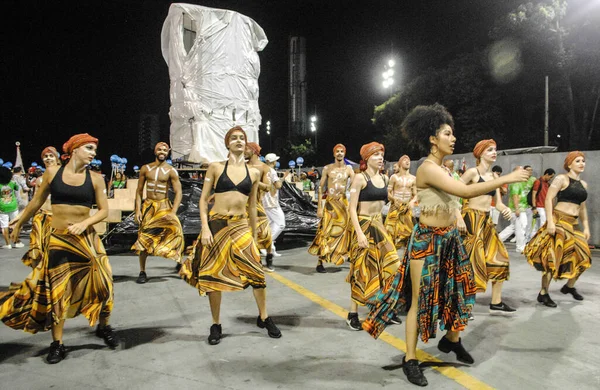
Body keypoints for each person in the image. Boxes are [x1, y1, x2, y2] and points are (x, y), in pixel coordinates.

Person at [362, 104, 529, 386]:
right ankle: (410, 358)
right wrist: (507, 179)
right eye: (447, 133)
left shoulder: (444, 169)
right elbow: (463, 191)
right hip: (426, 242)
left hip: (449, 239)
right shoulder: (427, 168)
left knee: (461, 294)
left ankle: (452, 340)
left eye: (452, 134)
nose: (453, 138)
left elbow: (454, 200)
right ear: (432, 138)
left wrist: (459, 218)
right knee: (419, 301)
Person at [1, 133, 118, 364]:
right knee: (59, 292)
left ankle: (103, 327)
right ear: (74, 150)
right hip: (58, 241)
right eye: (89, 148)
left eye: (95, 149)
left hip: (86, 240)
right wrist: (21, 220)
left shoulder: (95, 178)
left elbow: (103, 210)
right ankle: (58, 343)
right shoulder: (53, 173)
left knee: (104, 285)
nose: (93, 152)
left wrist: (85, 223)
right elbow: (36, 202)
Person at [179, 126, 281, 345]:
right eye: (234, 138)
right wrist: (204, 228)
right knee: (214, 276)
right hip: (217, 225)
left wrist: (253, 237)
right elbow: (203, 200)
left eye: (242, 138)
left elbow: (252, 206)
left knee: (257, 273)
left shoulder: (253, 173)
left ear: (246, 145)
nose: (238, 141)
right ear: (227, 144)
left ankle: (264, 317)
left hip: (241, 226)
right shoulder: (215, 168)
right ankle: (216, 324)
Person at [456, 139, 516, 314]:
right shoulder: (472, 173)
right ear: (480, 153)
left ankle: (496, 302)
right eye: (490, 150)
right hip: (470, 219)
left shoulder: (494, 177)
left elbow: (498, 203)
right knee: (469, 263)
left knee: (501, 258)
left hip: (486, 221)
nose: (494, 152)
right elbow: (452, 194)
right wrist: (458, 216)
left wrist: (505, 209)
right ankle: (461, 304)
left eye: (495, 150)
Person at [524, 152, 591, 307]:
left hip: (573, 224)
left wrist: (586, 226)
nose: (582, 163)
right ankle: (543, 293)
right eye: (578, 161)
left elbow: (582, 208)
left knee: (584, 257)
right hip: (559, 221)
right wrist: (550, 222)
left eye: (583, 161)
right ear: (569, 164)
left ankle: (569, 286)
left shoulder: (584, 185)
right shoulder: (562, 179)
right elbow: (548, 199)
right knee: (552, 259)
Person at [346, 142, 400, 331]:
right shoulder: (360, 179)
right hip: (364, 226)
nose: (380, 158)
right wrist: (359, 233)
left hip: (380, 227)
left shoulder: (385, 179)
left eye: (382, 154)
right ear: (367, 158)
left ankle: (384, 309)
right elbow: (351, 208)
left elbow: (385, 200)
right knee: (362, 271)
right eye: (376, 154)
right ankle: (352, 314)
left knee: (391, 267)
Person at [132, 142, 185, 283]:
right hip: (149, 206)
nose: (162, 151)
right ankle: (142, 271)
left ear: (168, 153)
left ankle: (178, 261)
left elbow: (179, 192)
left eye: (165, 150)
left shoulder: (171, 171)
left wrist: (173, 212)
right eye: (159, 149)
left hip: (164, 206)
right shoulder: (145, 168)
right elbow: (138, 191)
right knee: (144, 238)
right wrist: (137, 209)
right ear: (155, 151)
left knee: (177, 231)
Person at [308, 144, 355, 273]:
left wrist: (353, 203)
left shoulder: (349, 170)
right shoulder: (327, 169)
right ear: (334, 154)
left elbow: (355, 186)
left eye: (342, 151)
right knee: (325, 232)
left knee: (346, 232)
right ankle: (319, 262)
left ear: (344, 154)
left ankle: (347, 256)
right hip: (330, 204)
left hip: (343, 204)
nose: (339, 153)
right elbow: (320, 187)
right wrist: (319, 207)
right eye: (337, 151)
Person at [21, 146, 61, 267]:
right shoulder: (39, 180)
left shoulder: (64, 175)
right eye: (45, 156)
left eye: (51, 156)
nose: (48, 158)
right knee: (37, 252)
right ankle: (40, 281)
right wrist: (20, 218)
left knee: (57, 251)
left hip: (58, 218)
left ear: (56, 158)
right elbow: (35, 200)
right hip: (41, 217)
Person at [245, 142, 275, 271]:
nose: (244, 152)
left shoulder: (264, 167)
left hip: (257, 204)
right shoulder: (242, 166)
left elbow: (268, 187)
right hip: (243, 205)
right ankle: (251, 260)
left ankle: (269, 256)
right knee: (246, 234)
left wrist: (255, 180)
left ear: (254, 151)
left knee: (266, 233)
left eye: (246, 149)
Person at [385, 155, 417, 249]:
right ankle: (390, 255)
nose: (407, 162)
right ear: (400, 163)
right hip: (395, 208)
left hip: (406, 208)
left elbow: (416, 194)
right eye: (405, 160)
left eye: (409, 160)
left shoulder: (413, 178)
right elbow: (388, 192)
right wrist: (394, 199)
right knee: (389, 231)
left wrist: (412, 202)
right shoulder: (394, 177)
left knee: (408, 233)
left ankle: (405, 258)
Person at [263, 153, 288, 258]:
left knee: (270, 225)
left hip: (265, 201)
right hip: (272, 202)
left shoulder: (263, 170)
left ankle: (271, 249)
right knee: (281, 224)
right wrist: (283, 178)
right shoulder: (272, 171)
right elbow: (278, 185)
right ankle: (265, 244)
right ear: (272, 161)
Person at [498, 166, 528, 252]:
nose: (523, 172)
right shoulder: (516, 183)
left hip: (519, 208)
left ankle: (497, 240)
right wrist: (517, 208)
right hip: (518, 209)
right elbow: (515, 196)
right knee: (521, 228)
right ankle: (520, 247)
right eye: (521, 170)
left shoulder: (519, 182)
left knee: (513, 227)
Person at [529, 168, 556, 237]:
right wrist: (534, 207)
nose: (551, 178)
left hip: (545, 207)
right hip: (539, 207)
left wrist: (552, 209)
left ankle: (537, 240)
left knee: (541, 224)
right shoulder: (538, 182)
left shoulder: (548, 184)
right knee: (541, 224)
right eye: (551, 176)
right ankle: (538, 240)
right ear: (547, 174)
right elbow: (533, 194)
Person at [0, 167, 20, 249]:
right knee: (16, 224)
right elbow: (17, 188)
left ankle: (8, 244)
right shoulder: (12, 183)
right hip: (13, 206)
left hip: (2, 207)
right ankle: (16, 242)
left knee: (4, 226)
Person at [522, 165, 537, 242]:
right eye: (528, 170)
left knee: (529, 223)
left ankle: (526, 239)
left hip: (529, 205)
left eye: (531, 170)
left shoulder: (534, 180)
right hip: (520, 205)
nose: (530, 171)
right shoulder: (520, 179)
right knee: (521, 224)